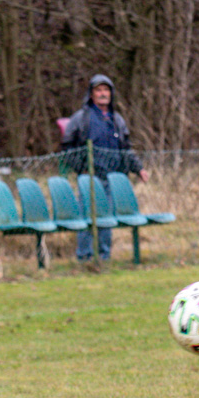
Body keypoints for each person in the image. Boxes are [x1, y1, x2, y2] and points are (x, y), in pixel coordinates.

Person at [61, 74, 149, 262]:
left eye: (106, 90)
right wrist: (81, 169)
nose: (103, 94)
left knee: (106, 219)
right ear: (91, 94)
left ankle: (104, 257)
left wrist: (138, 168)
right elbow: (67, 147)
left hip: (112, 178)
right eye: (99, 90)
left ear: (111, 93)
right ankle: (85, 258)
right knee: (87, 219)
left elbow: (126, 149)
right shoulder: (81, 118)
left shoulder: (117, 119)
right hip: (89, 178)